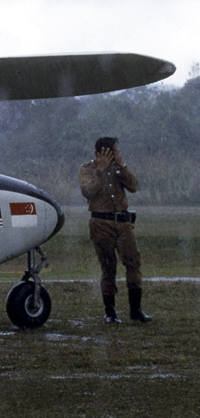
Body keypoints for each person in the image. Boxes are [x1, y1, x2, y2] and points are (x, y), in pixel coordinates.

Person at [78, 136, 149, 323]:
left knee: (133, 262)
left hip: (123, 222)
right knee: (108, 267)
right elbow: (87, 191)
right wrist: (100, 171)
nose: (115, 155)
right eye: (112, 152)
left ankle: (136, 309)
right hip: (100, 222)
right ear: (99, 153)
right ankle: (110, 312)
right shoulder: (88, 169)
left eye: (116, 151)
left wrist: (121, 166)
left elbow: (134, 186)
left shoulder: (119, 169)